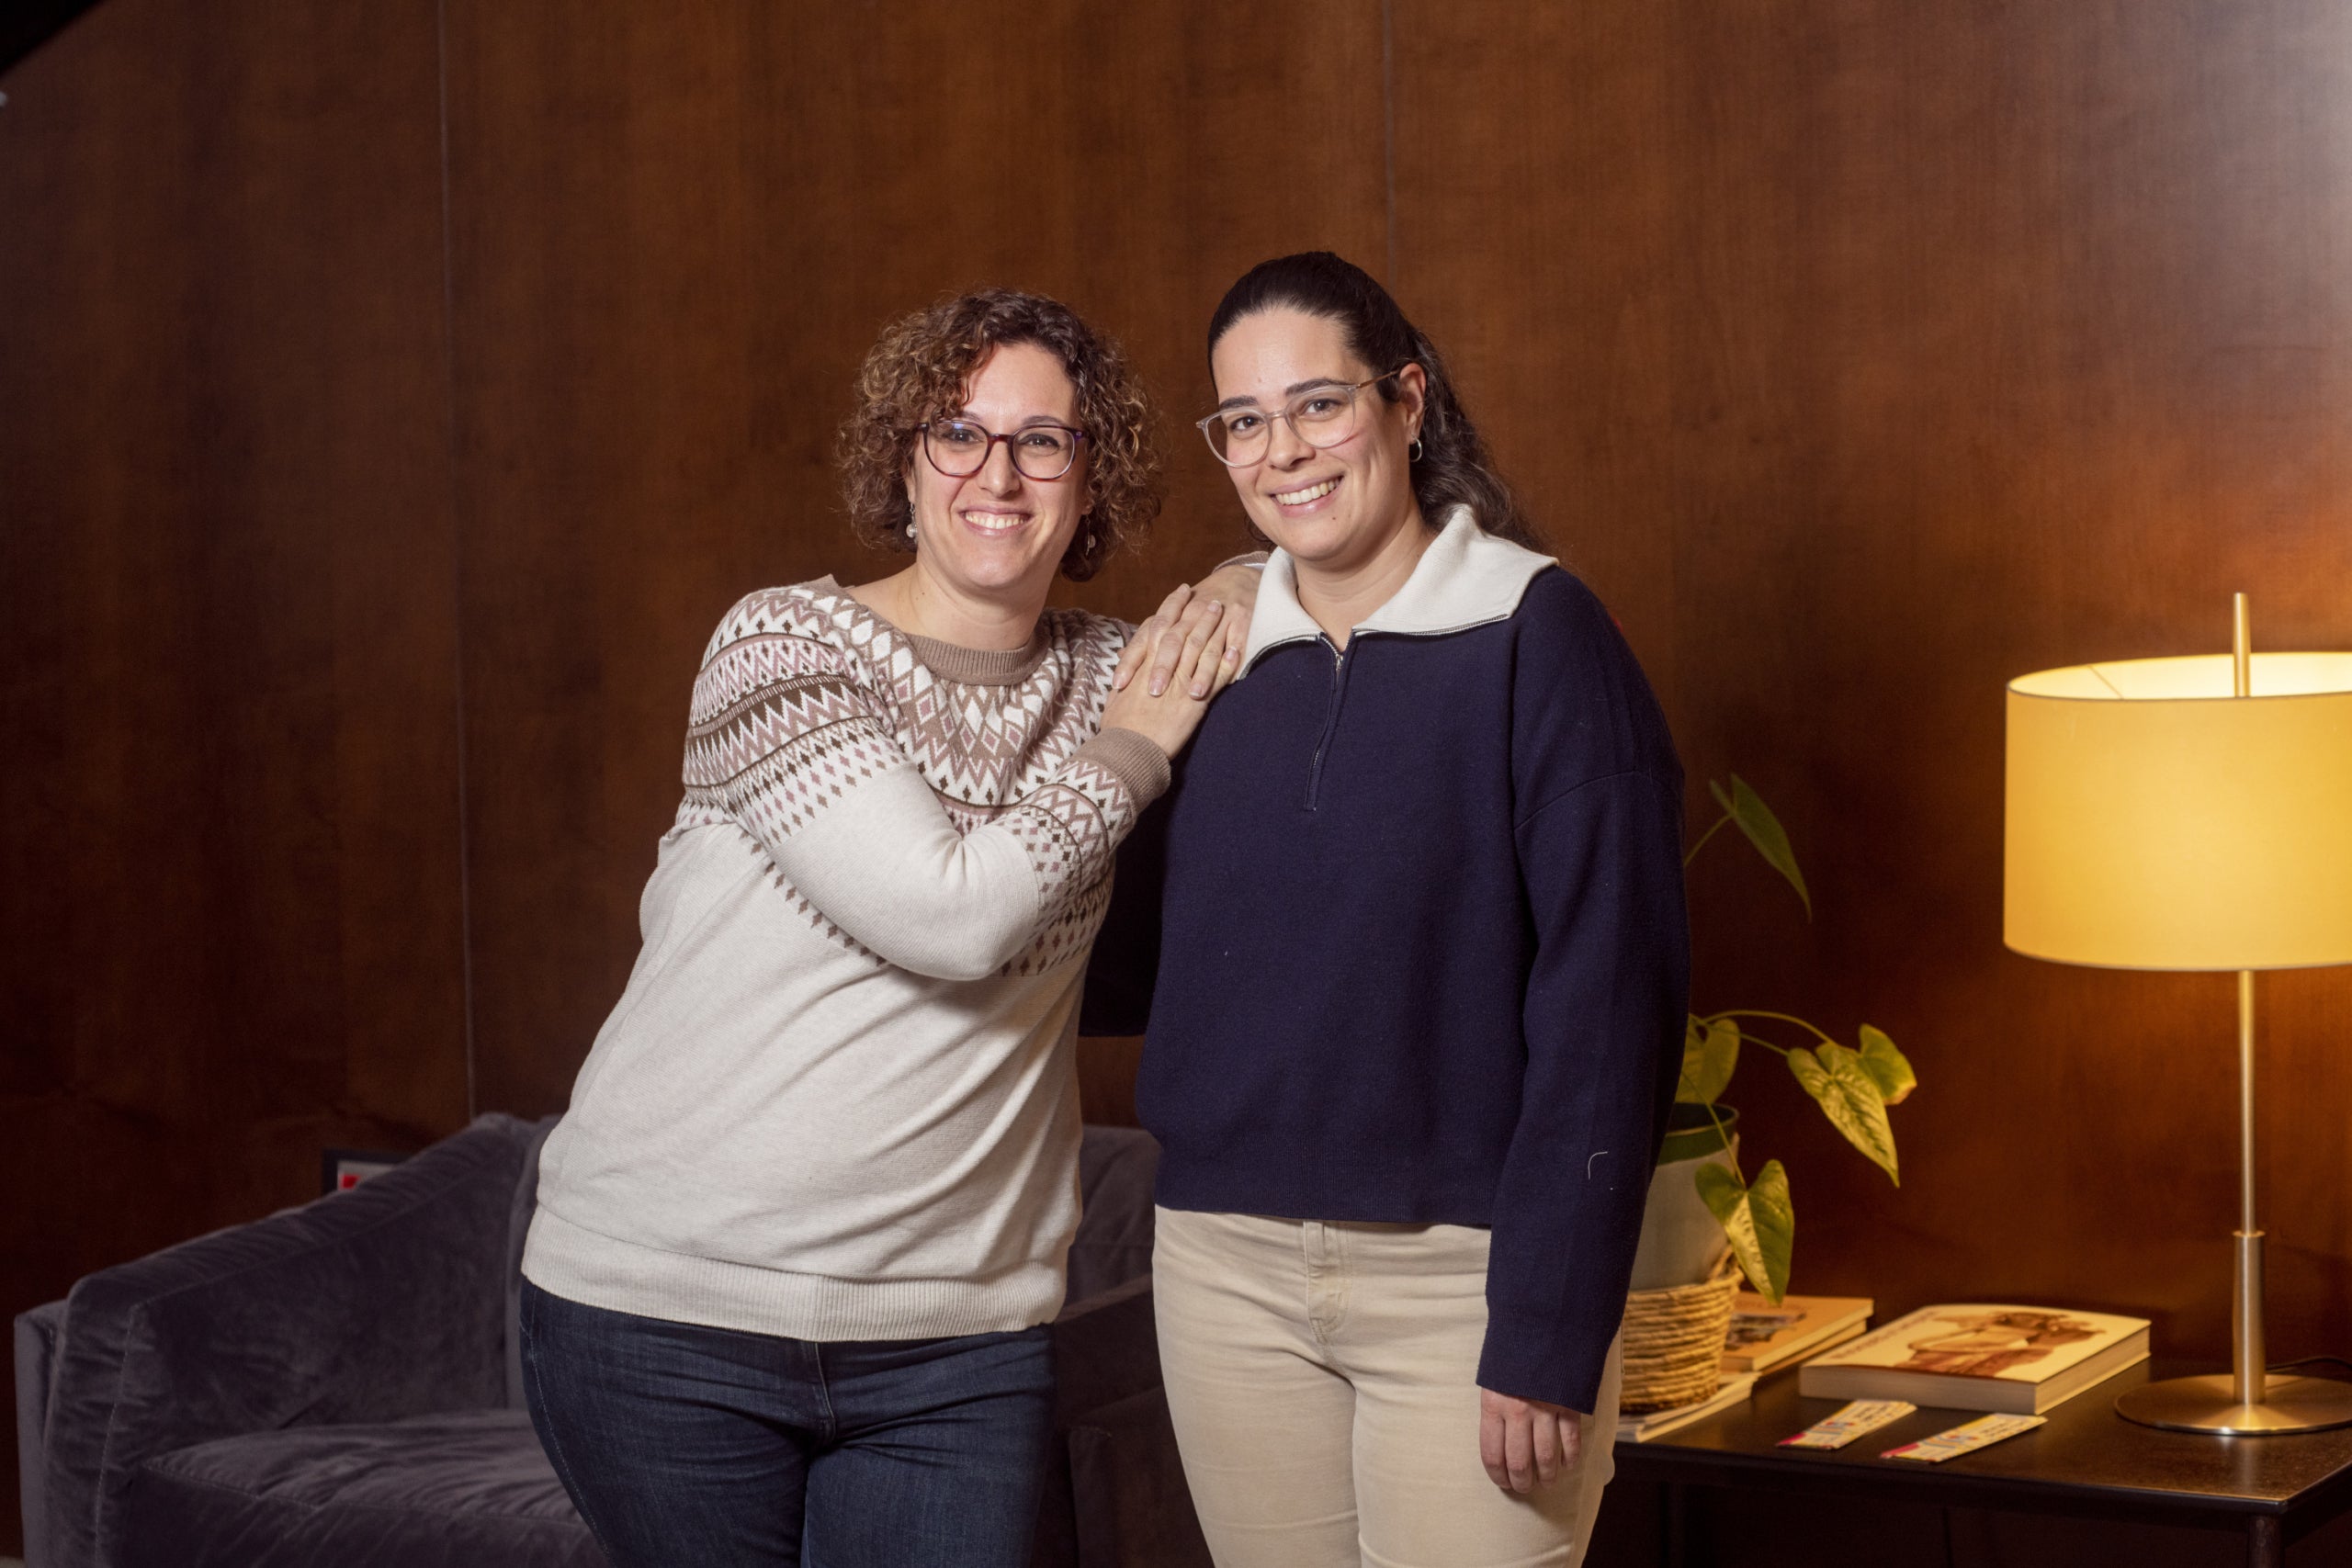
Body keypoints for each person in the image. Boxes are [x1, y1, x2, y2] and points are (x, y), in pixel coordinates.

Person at [517, 287, 1256, 1568]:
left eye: (1045, 442)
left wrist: (1254, 576)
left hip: (956, 1344)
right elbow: (947, 916)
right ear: (904, 465)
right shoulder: (782, 645)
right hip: (664, 1318)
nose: (999, 476)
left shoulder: (1113, 667)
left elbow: (1334, 583)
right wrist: (1136, 746)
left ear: (1092, 486)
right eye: (956, 434)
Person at [1098, 252, 1690, 1567]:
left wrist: (1548, 1326)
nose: (1283, 451)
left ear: (1407, 402)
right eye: (1243, 421)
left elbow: (1613, 1009)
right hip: (1224, 1276)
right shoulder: (1201, 658)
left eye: (1319, 405)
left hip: (1465, 1289)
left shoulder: (1541, 636)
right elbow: (1108, 960)